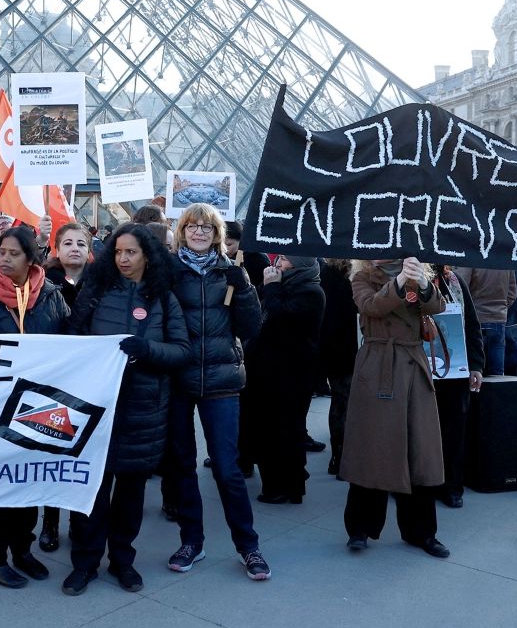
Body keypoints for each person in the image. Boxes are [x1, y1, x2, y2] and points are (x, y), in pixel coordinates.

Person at [62, 223, 191, 596]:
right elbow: (72, 340)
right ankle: (84, 564)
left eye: (131, 252)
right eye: (118, 252)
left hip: (143, 411)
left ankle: (122, 562)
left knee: (131, 496)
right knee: (92, 492)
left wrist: (147, 350)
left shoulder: (163, 298)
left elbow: (181, 350)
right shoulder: (96, 291)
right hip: (99, 408)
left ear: (147, 256)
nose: (122, 259)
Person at [160, 203, 269, 581]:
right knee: (182, 465)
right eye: (193, 226)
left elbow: (251, 326)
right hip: (178, 378)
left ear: (217, 234)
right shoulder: (169, 271)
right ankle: (192, 540)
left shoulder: (232, 272)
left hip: (221, 380)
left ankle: (248, 546)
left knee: (227, 468)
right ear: (182, 231)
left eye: (208, 227)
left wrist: (244, 290)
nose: (200, 232)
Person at [0, 225, 69, 588]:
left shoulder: (51, 295)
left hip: (38, 404)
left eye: (14, 253)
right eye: (1, 252)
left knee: (29, 480)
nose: (5, 259)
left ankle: (23, 550)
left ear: (31, 259)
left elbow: (70, 341)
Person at [342, 257, 450, 559]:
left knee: (419, 451)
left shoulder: (419, 275)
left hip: (412, 367)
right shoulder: (361, 276)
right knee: (372, 448)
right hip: (378, 365)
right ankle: (360, 527)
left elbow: (437, 307)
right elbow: (372, 306)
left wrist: (424, 282)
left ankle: (422, 532)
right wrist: (401, 282)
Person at [37, 222, 92, 552]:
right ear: (56, 249)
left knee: (81, 454)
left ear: (89, 250)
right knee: (52, 452)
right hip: (54, 381)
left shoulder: (102, 284)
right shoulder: (43, 284)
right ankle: (50, 521)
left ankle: (79, 520)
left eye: (81, 244)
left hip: (89, 381)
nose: (74, 248)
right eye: (68, 242)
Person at [253, 255, 325, 504]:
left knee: (284, 430)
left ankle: (284, 486)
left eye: (283, 260)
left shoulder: (310, 291)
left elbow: (280, 318)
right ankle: (286, 482)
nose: (278, 264)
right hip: (274, 369)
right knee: (275, 429)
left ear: (299, 264)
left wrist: (272, 286)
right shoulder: (289, 285)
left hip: (293, 372)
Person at [428, 265, 484, 509]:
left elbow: (471, 324)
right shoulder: (405, 279)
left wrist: (476, 365)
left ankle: (451, 486)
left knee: (454, 430)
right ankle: (422, 483)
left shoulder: (455, 282)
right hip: (419, 369)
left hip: (454, 370)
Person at [318, 259, 358, 476]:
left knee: (340, 402)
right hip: (351, 349)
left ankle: (339, 457)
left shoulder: (327, 274)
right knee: (347, 404)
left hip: (335, 350)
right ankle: (344, 458)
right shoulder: (354, 275)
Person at [453, 267, 516, 376]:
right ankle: (496, 393)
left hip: (476, 318)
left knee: (474, 371)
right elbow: (512, 294)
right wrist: (501, 309)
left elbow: (459, 287)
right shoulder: (504, 258)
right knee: (497, 374)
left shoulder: (471, 257)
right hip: (498, 319)